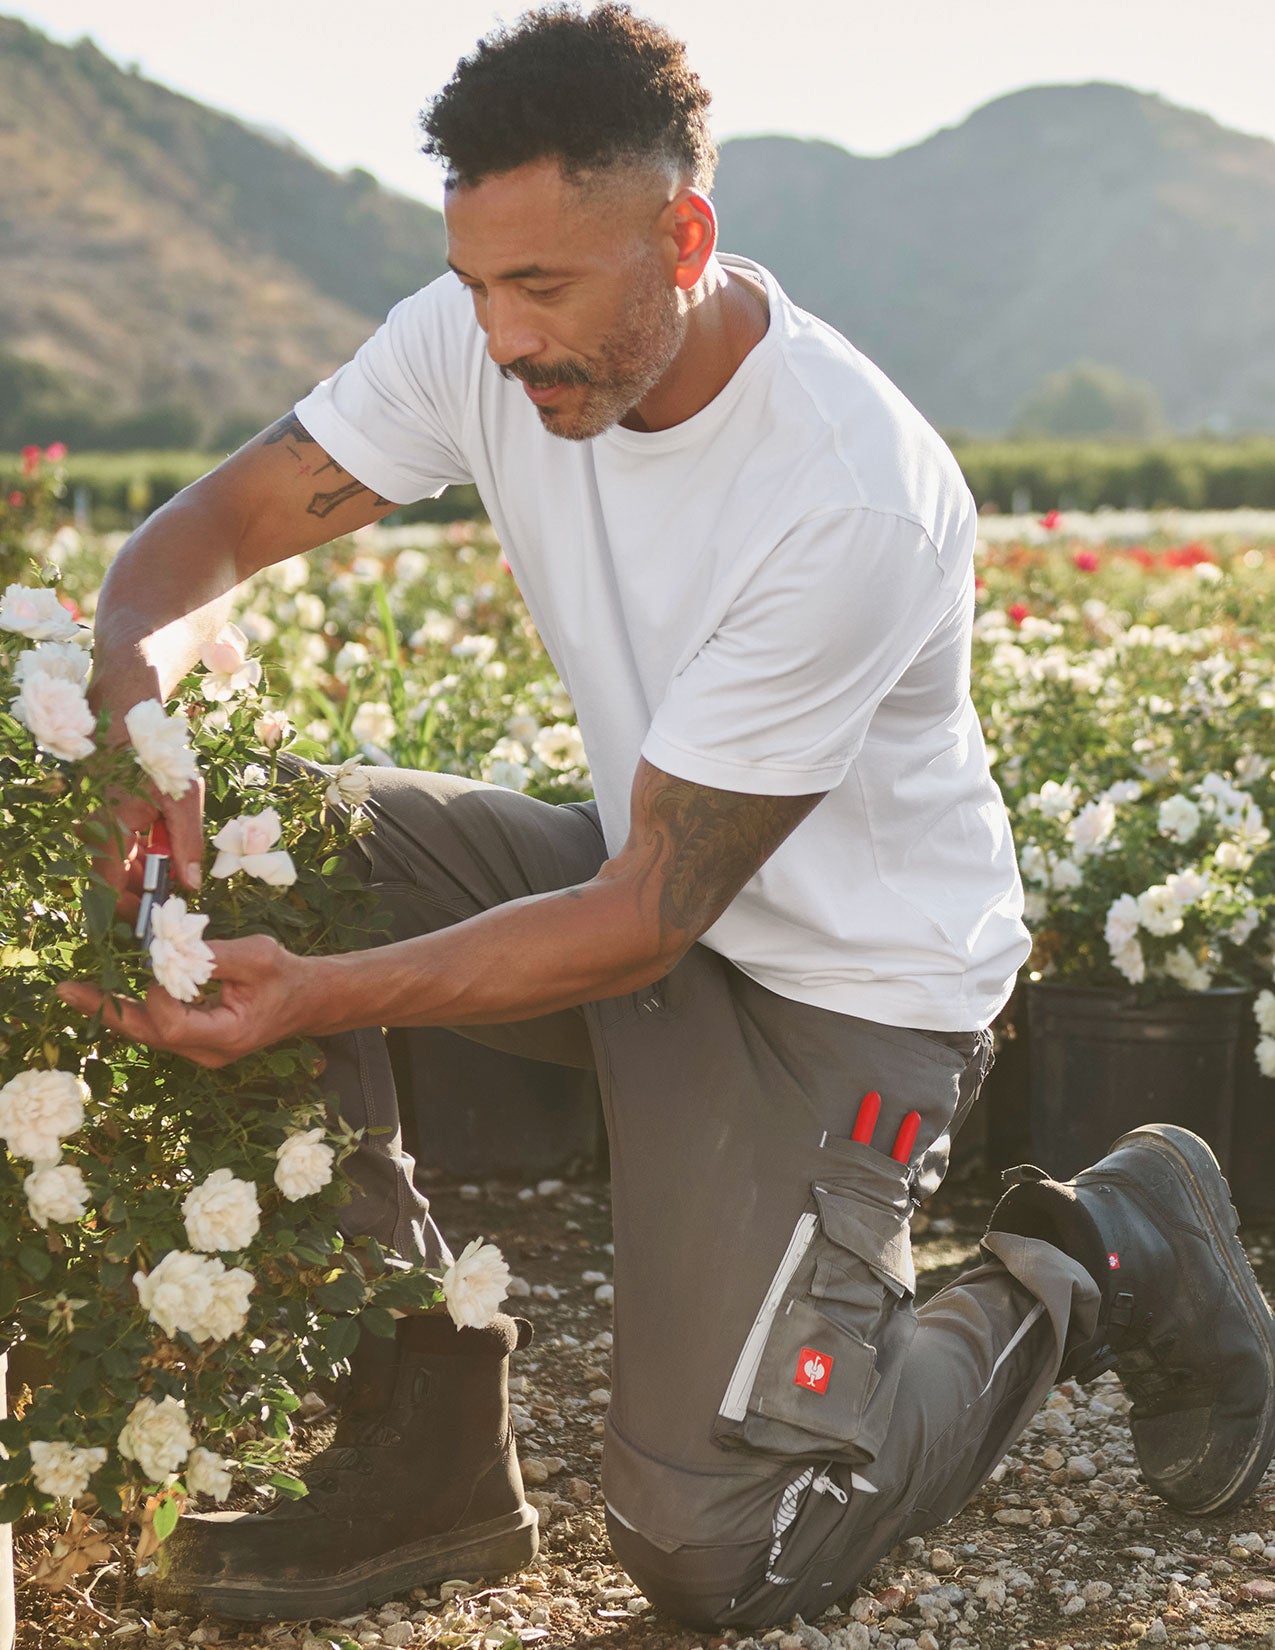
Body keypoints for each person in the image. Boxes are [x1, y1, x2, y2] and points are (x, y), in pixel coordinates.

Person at [61, 2, 1275, 1631]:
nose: (497, 336)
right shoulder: (478, 335)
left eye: (541, 287)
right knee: (280, 839)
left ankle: (1102, 1251)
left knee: (721, 1551)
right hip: (650, 908)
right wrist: (138, 706)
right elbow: (194, 540)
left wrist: (326, 995)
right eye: (479, 282)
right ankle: (420, 1440)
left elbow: (646, 914)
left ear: (682, 234)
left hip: (849, 1003)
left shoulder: (844, 490)